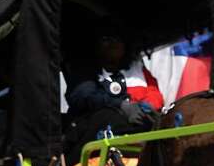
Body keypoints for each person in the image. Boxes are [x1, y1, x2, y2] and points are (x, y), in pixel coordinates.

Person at [64, 21, 163, 154]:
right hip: (92, 143)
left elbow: (154, 93)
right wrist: (122, 106)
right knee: (107, 116)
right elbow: (84, 96)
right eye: (106, 39)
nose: (113, 43)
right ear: (96, 44)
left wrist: (144, 107)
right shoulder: (84, 70)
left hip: (137, 140)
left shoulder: (137, 68)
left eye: (118, 39)